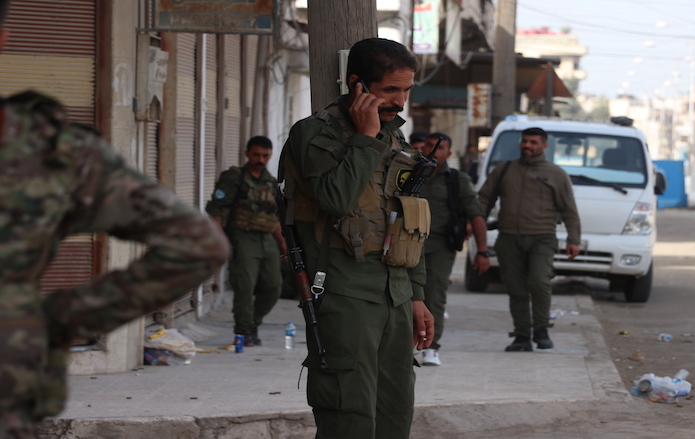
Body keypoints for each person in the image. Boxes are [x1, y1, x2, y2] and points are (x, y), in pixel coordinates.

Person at [0, 1, 230, 436]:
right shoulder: (48, 149)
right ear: (5, 38)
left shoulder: (52, 151)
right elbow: (199, 244)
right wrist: (54, 321)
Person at [279, 37, 434, 438]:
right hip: (344, 297)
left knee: (394, 413)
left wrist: (416, 295)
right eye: (390, 90)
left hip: (395, 296)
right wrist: (364, 139)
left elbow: (408, 220)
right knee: (349, 416)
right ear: (357, 85)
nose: (400, 101)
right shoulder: (315, 134)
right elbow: (334, 198)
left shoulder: (395, 138)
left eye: (406, 90)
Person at [477, 127, 581, 352]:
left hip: (541, 238)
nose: (527, 146)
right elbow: (484, 198)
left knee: (539, 281)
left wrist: (574, 239)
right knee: (516, 288)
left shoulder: (556, 174)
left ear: (544, 146)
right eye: (524, 141)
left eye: (533, 142)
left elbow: (569, 209)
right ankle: (522, 336)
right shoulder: (505, 170)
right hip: (509, 238)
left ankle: (541, 329)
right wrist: (474, 222)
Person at [205, 136, 287, 346]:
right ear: (247, 153)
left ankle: (252, 323)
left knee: (273, 287)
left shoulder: (270, 181)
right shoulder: (233, 178)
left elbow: (273, 215)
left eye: (265, 155)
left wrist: (282, 243)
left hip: (267, 238)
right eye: (256, 154)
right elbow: (216, 208)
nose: (261, 159)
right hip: (242, 237)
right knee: (244, 287)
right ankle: (243, 332)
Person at [418, 132, 489, 366]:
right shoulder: (409, 172)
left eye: (439, 148)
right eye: (429, 145)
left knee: (434, 295)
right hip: (408, 244)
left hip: (440, 245)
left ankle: (431, 347)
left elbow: (476, 215)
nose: (432, 149)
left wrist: (482, 251)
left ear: (448, 154)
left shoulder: (457, 180)